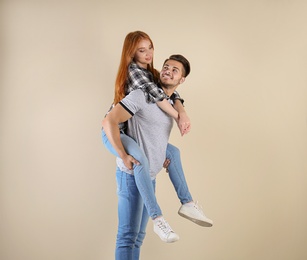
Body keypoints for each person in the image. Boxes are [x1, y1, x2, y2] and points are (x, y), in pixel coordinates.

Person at [102, 52, 213, 259]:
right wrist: (123, 155)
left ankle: (187, 204)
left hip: (149, 176)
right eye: (166, 66)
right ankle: (159, 218)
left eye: (174, 70)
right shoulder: (141, 94)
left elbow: (156, 133)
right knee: (127, 236)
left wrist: (161, 150)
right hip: (130, 174)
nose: (168, 71)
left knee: (138, 237)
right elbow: (110, 121)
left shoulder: (170, 102)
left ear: (182, 79)